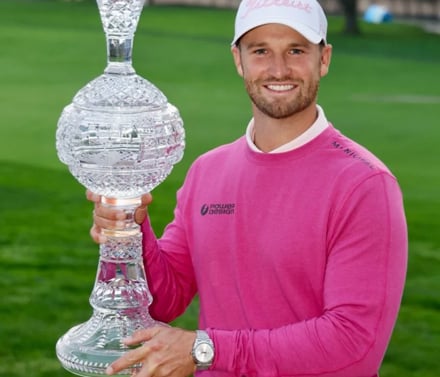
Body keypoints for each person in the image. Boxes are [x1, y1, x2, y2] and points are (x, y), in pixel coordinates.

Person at [88, 0, 408, 376]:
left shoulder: (364, 185)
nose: (278, 69)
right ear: (238, 60)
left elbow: (354, 345)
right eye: (260, 51)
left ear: (324, 59)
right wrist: (129, 231)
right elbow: (164, 300)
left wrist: (206, 349)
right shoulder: (208, 171)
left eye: (296, 50)